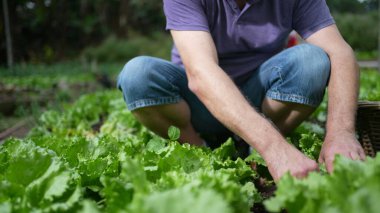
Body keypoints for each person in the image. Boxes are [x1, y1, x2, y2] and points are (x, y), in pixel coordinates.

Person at [117, 0, 365, 181]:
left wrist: (341, 133)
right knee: (137, 74)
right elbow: (201, 72)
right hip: (200, 107)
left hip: (260, 99)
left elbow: (340, 52)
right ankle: (201, 152)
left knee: (312, 61)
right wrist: (275, 149)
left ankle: (252, 152)